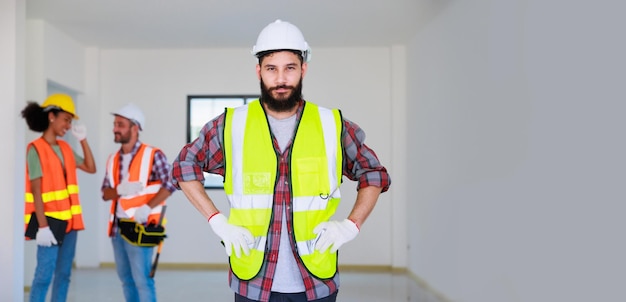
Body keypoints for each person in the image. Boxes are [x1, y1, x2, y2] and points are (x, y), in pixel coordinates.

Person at [172, 19, 391, 302]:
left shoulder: (331, 125)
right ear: (258, 71)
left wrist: (350, 225)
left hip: (316, 282)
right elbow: (183, 167)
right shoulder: (231, 125)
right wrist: (217, 221)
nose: (281, 79)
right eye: (271, 69)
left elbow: (373, 174)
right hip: (253, 281)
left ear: (304, 69)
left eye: (290, 68)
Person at [21, 93, 97, 302]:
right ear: (52, 116)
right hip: (50, 224)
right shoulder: (35, 149)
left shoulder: (65, 148)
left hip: (70, 225)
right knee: (43, 276)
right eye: (66, 119)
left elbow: (91, 168)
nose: (68, 125)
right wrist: (43, 228)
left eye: (70, 121)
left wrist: (83, 140)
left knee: (63, 276)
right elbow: (36, 191)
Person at [100, 103, 176, 302]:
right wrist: (118, 190)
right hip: (117, 229)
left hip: (141, 227)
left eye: (120, 124)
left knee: (143, 280)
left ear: (135, 127)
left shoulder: (153, 155)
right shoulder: (113, 159)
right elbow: (105, 193)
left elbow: (170, 184)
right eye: (115, 124)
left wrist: (147, 208)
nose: (115, 128)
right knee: (126, 280)